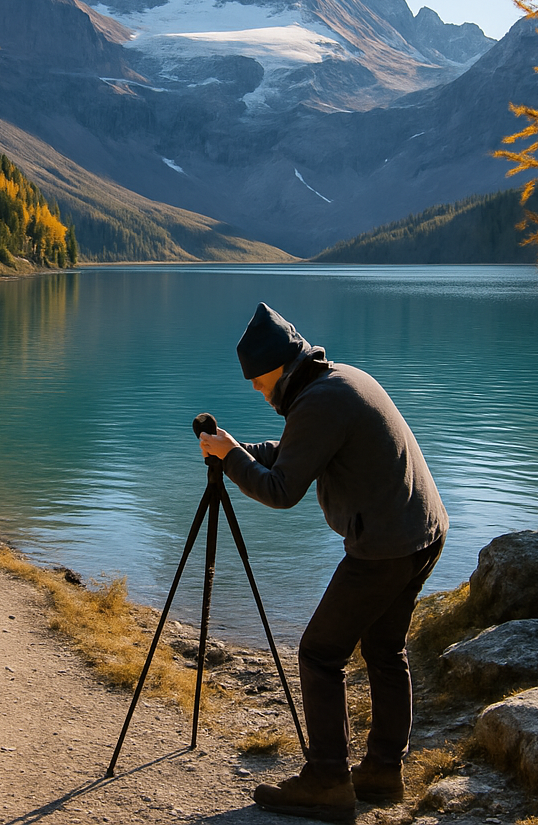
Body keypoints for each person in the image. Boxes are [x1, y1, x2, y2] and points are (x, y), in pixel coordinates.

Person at [199, 302, 448, 821]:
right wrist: (239, 448)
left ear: (277, 367)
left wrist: (232, 460)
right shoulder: (339, 381)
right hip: (422, 530)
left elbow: (282, 489)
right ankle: (382, 772)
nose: (254, 389)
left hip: (385, 544)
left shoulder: (317, 403)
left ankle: (328, 781)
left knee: (319, 653)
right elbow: (298, 450)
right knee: (384, 649)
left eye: (256, 379)